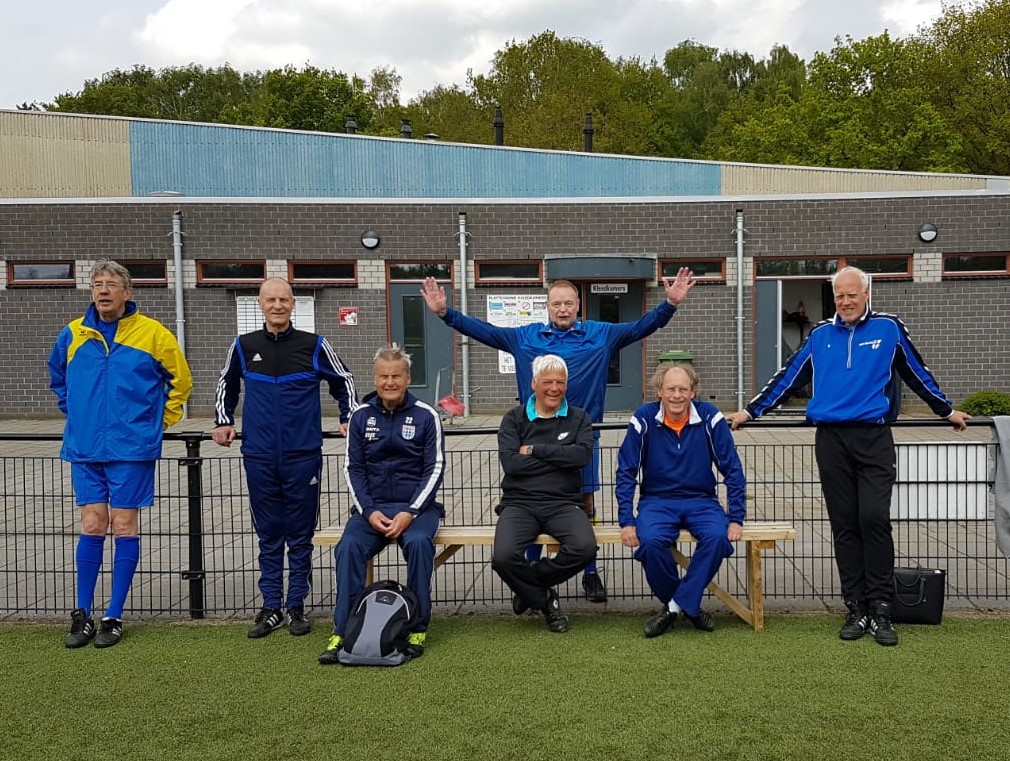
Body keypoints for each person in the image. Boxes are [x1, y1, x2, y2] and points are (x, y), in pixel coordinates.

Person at [728, 266, 971, 647]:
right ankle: (855, 606)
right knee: (844, 526)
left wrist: (946, 411)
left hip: (873, 438)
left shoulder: (888, 329)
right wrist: (749, 412)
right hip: (831, 440)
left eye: (851, 295)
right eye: (839, 295)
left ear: (866, 294)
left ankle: (881, 608)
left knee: (873, 519)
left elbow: (917, 371)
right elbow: (787, 377)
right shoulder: (820, 335)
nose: (845, 302)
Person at [421, 268, 696, 603]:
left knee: (585, 503)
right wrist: (444, 313)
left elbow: (642, 327)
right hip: (533, 437)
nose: (563, 309)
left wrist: (669, 304)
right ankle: (532, 578)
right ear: (547, 306)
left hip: (582, 439)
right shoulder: (525, 337)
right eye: (556, 304)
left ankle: (590, 573)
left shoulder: (601, 334)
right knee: (533, 500)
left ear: (578, 305)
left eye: (569, 303)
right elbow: (485, 331)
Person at [48, 259, 193, 649]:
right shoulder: (73, 334)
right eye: (97, 284)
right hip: (85, 447)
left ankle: (113, 615)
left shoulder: (153, 334)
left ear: (127, 292)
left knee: (124, 525)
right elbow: (57, 376)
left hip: (132, 448)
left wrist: (159, 421)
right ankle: (82, 614)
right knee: (93, 524)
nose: (103, 290)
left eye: (111, 284)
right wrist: (76, 413)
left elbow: (181, 380)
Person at [213, 278, 356, 639]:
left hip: (302, 454)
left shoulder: (315, 345)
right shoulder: (244, 346)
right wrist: (223, 421)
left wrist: (348, 416)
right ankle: (270, 605)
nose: (277, 305)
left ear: (293, 304)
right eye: (270, 300)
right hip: (258, 455)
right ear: (260, 304)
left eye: (283, 300)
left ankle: (296, 606)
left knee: (301, 533)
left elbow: (344, 380)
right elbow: (225, 385)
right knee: (269, 534)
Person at [319, 344, 445, 663]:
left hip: (416, 510)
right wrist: (369, 511)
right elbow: (353, 468)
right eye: (383, 376)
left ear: (408, 378)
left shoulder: (426, 415)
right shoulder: (360, 416)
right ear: (374, 379)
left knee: (418, 544)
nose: (389, 382)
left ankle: (416, 629)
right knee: (347, 548)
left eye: (396, 376)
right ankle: (343, 631)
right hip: (371, 510)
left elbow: (435, 468)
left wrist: (411, 511)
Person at [616, 363, 746, 637]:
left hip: (701, 500)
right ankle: (690, 606)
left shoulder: (710, 417)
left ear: (693, 392)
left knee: (717, 537)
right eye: (670, 389)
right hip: (657, 501)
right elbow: (626, 471)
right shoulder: (643, 418)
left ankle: (673, 608)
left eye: (683, 389)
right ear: (659, 392)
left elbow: (732, 468)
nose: (677, 395)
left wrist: (736, 517)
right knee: (650, 542)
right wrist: (626, 521)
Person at [492, 354, 596, 633]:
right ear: (534, 383)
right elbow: (512, 463)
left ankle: (529, 585)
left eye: (560, 382)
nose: (554, 388)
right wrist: (561, 456)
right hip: (519, 503)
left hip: (563, 504)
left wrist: (536, 450)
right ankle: (543, 598)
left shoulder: (579, 417)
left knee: (585, 548)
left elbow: (582, 456)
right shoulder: (513, 419)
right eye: (547, 382)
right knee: (503, 557)